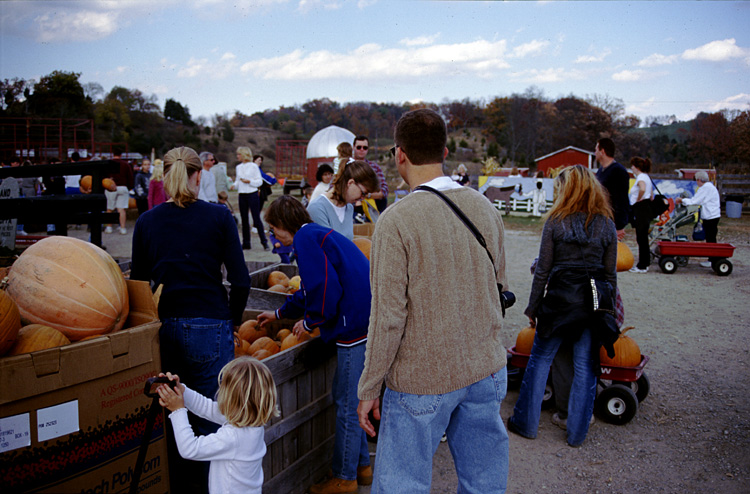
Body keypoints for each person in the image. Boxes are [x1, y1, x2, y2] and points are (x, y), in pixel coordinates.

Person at [357, 108, 509, 493]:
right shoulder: (486, 209)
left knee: (401, 485)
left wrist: (369, 387)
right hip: (485, 368)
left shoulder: (395, 221)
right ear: (444, 151)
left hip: (422, 378)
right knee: (484, 483)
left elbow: (388, 317)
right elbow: (499, 287)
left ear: (399, 154)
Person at [130, 146, 250, 493]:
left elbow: (139, 287)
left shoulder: (148, 221)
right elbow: (240, 280)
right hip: (210, 324)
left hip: (166, 326)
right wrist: (232, 321)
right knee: (213, 419)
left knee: (174, 414)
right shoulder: (219, 217)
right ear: (199, 176)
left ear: (164, 177)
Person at [257, 196, 372, 494]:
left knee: (346, 404)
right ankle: (362, 465)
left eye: (273, 228)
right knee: (347, 397)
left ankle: (345, 479)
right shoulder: (316, 234)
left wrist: (311, 322)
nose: (274, 235)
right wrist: (280, 313)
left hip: (353, 327)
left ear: (283, 224)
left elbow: (324, 290)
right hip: (360, 321)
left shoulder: (307, 238)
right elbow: (311, 289)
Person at [507, 164, 617, 448]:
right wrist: (609, 314)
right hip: (590, 305)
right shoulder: (606, 224)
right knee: (585, 366)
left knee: (540, 360)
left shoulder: (556, 222)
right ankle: (577, 433)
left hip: (558, 301)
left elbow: (542, 269)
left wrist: (532, 307)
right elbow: (609, 275)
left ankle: (526, 423)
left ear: (566, 190)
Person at [156, 357, 279, 494]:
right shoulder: (253, 423)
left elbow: (190, 448)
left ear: (232, 399)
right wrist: (182, 390)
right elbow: (206, 407)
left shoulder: (234, 436)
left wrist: (177, 410)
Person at [306, 160, 379, 241]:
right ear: (350, 183)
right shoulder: (317, 208)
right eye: (363, 193)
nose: (362, 198)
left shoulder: (349, 208)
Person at [676, 170, 721, 267]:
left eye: (696, 180)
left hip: (710, 216)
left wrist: (682, 200)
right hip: (713, 215)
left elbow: (694, 201)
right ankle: (712, 259)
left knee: (711, 238)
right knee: (710, 237)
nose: (696, 182)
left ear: (699, 180)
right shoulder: (710, 187)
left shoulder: (705, 188)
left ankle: (713, 259)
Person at [234, 146, 269, 251]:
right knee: (244, 220)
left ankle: (264, 242)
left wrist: (249, 182)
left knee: (256, 219)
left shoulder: (253, 166)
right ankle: (246, 243)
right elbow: (237, 181)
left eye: (239, 154)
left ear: (244, 155)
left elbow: (259, 181)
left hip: (252, 194)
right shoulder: (238, 167)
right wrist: (233, 185)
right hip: (242, 195)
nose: (237, 156)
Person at [594, 137, 630, 240]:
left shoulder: (618, 171)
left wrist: (619, 226)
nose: (595, 152)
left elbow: (622, 200)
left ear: (602, 151)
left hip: (612, 222)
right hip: (600, 219)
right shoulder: (601, 171)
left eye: (596, 149)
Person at [628, 157, 654, 273]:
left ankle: (642, 266)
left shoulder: (641, 177)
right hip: (646, 207)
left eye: (632, 165)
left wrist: (638, 200)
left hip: (641, 208)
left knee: (641, 237)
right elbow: (651, 194)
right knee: (643, 237)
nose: (631, 168)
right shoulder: (646, 177)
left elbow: (642, 189)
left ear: (636, 167)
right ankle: (645, 262)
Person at [353, 135, 389, 212]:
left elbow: (384, 189)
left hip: (372, 206)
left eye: (365, 147)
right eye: (359, 147)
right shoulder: (346, 166)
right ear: (353, 147)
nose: (362, 150)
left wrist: (369, 195)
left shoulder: (375, 167)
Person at [104, 148, 134, 235]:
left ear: (113, 154)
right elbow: (130, 177)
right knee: (121, 209)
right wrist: (129, 187)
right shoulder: (126, 164)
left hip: (110, 187)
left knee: (110, 208)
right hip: (123, 187)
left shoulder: (108, 164)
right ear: (121, 155)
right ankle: (122, 228)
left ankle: (109, 227)